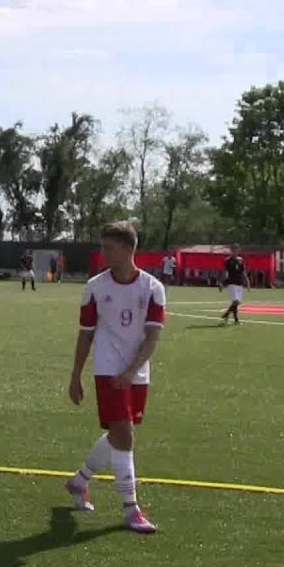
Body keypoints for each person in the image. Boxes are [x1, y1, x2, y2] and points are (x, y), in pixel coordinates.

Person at [65, 221, 163, 535]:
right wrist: (76, 375)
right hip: (107, 368)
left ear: (127, 249)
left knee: (118, 435)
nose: (102, 252)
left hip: (137, 370)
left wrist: (132, 370)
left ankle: (79, 481)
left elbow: (151, 338)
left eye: (108, 247)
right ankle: (131, 509)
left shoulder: (152, 288)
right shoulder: (94, 287)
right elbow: (85, 336)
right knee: (125, 435)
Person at [220, 245, 247, 325]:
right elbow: (225, 272)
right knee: (235, 301)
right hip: (231, 283)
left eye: (236, 250)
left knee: (237, 303)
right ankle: (235, 319)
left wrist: (247, 281)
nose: (234, 251)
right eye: (232, 250)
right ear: (230, 251)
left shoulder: (241, 260)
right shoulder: (228, 260)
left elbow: (243, 271)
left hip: (240, 283)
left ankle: (229, 316)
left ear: (238, 251)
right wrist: (221, 282)